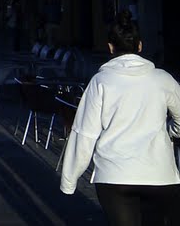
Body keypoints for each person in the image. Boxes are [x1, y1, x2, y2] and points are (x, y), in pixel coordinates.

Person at [60, 11, 180, 225]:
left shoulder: (100, 82)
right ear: (140, 46)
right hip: (160, 174)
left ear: (110, 47)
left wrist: (69, 180)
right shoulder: (163, 80)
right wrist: (172, 131)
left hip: (114, 176)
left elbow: (84, 133)